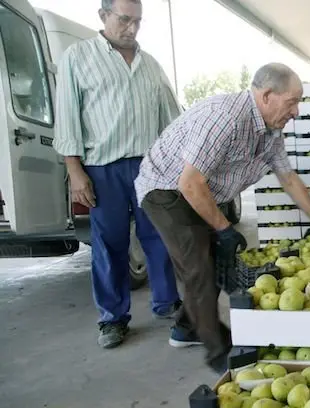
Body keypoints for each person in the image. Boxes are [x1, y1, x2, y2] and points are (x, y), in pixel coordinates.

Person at [134, 63, 310, 374]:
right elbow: (189, 183)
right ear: (268, 96)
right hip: (166, 190)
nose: (296, 112)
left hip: (202, 192)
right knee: (199, 265)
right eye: (292, 102)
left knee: (219, 260)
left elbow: (288, 178)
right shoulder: (226, 118)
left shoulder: (271, 131)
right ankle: (220, 352)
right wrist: (224, 227)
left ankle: (186, 328)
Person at [53, 0, 183, 349]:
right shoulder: (78, 58)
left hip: (149, 166)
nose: (131, 28)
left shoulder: (151, 65)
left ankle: (167, 302)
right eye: (124, 20)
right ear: (103, 16)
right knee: (110, 246)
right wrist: (74, 170)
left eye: (137, 21)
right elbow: (67, 116)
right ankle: (112, 319)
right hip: (101, 168)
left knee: (159, 236)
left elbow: (170, 118)